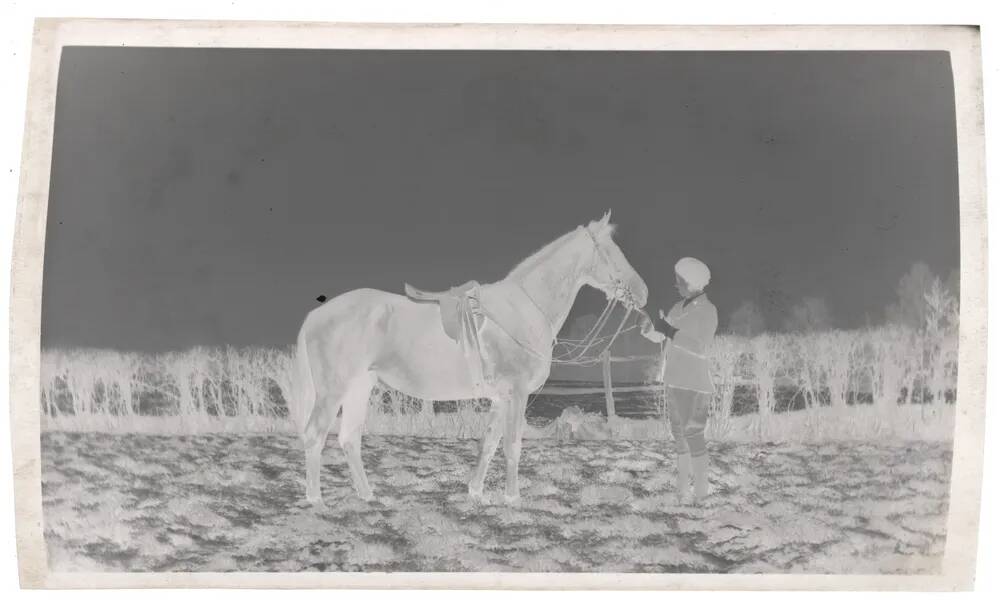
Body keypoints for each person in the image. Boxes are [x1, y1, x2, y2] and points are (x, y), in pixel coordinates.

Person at [639, 257, 718, 505]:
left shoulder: (708, 310)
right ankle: (682, 493)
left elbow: (700, 347)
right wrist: (647, 327)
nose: (676, 284)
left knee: (693, 436)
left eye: (679, 280)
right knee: (680, 439)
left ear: (692, 282)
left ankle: (701, 495)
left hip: (694, 384)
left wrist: (669, 330)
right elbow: (662, 334)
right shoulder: (677, 308)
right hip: (674, 381)